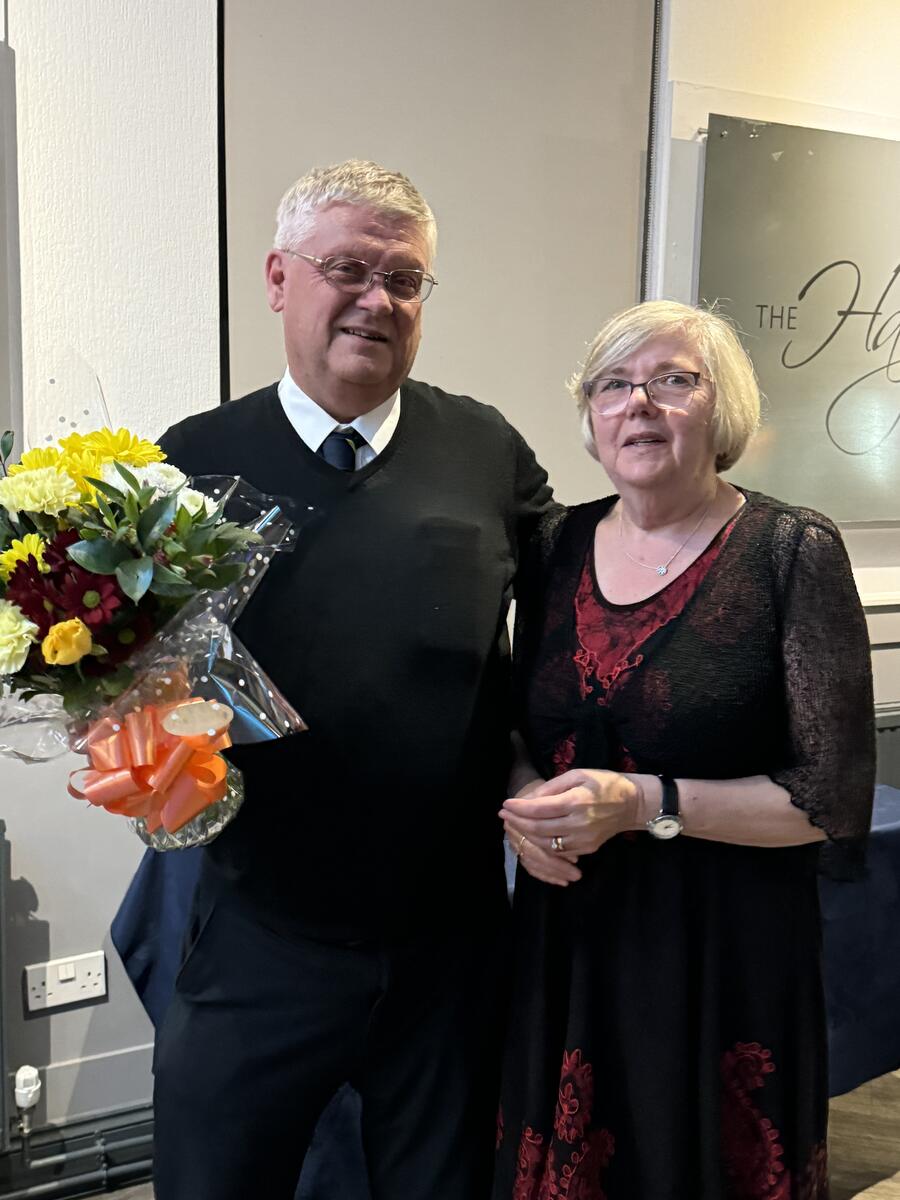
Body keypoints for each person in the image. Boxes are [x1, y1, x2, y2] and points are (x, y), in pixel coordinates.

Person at [151, 159, 552, 1200]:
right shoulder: (186, 466)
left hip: (450, 944)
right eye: (348, 268)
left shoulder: (487, 450)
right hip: (258, 935)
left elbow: (575, 637)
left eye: (405, 279)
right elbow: (135, 682)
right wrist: (124, 742)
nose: (377, 299)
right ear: (280, 277)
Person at [493, 300, 875, 1199]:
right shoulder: (554, 544)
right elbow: (516, 720)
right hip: (569, 936)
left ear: (723, 410)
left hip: (722, 952)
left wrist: (642, 804)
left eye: (673, 381)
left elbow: (830, 800)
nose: (640, 405)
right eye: (615, 385)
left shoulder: (790, 551)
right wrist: (522, 806)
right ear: (589, 415)